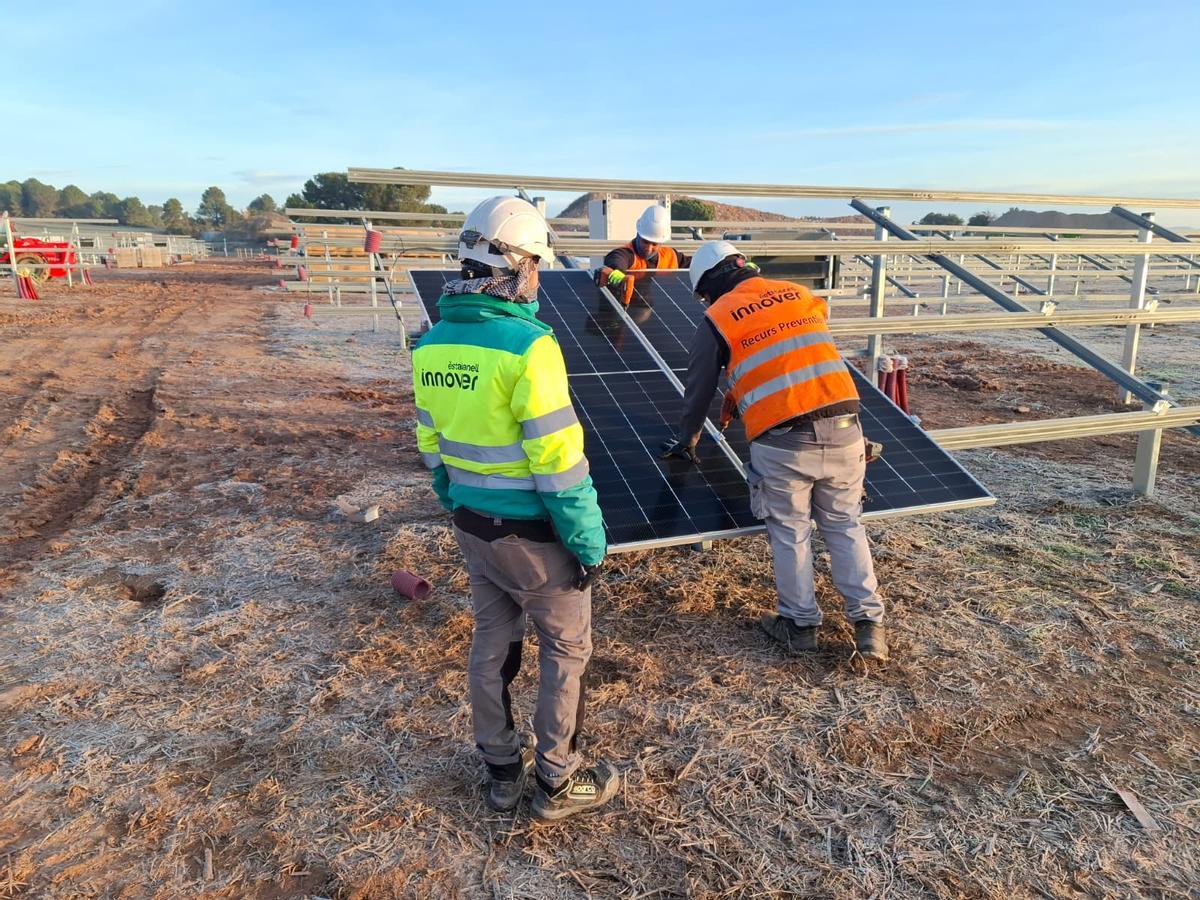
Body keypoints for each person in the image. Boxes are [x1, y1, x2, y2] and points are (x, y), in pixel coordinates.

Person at [412, 196, 620, 819]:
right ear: (522, 265)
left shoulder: (430, 345)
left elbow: (432, 446)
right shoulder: (530, 347)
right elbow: (558, 462)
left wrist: (456, 504)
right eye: (538, 266)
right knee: (565, 651)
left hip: (474, 529)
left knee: (493, 641)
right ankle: (559, 779)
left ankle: (501, 771)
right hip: (536, 539)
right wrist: (587, 543)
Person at [661, 240, 888, 662]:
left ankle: (800, 626)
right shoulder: (799, 293)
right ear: (742, 267)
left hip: (783, 441)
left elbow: (698, 390)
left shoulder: (718, 317)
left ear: (710, 286)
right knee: (844, 525)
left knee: (791, 531)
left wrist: (687, 439)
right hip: (846, 429)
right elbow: (795, 352)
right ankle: (868, 625)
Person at [595, 204, 690, 297]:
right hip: (620, 308)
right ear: (638, 234)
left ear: (661, 243)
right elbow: (616, 259)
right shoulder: (627, 254)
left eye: (654, 244)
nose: (648, 248)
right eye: (645, 242)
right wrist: (617, 273)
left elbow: (694, 265)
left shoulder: (670, 256)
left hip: (651, 307)